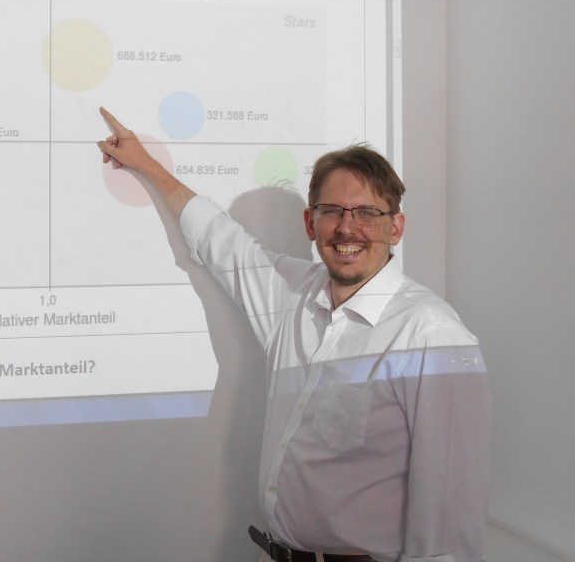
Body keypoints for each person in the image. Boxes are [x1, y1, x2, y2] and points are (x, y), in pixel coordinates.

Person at [96, 107, 491, 562]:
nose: (347, 227)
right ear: (310, 223)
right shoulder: (294, 295)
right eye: (331, 211)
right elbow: (221, 239)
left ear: (395, 228)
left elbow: (449, 520)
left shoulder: (432, 335)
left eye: (367, 212)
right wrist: (146, 164)